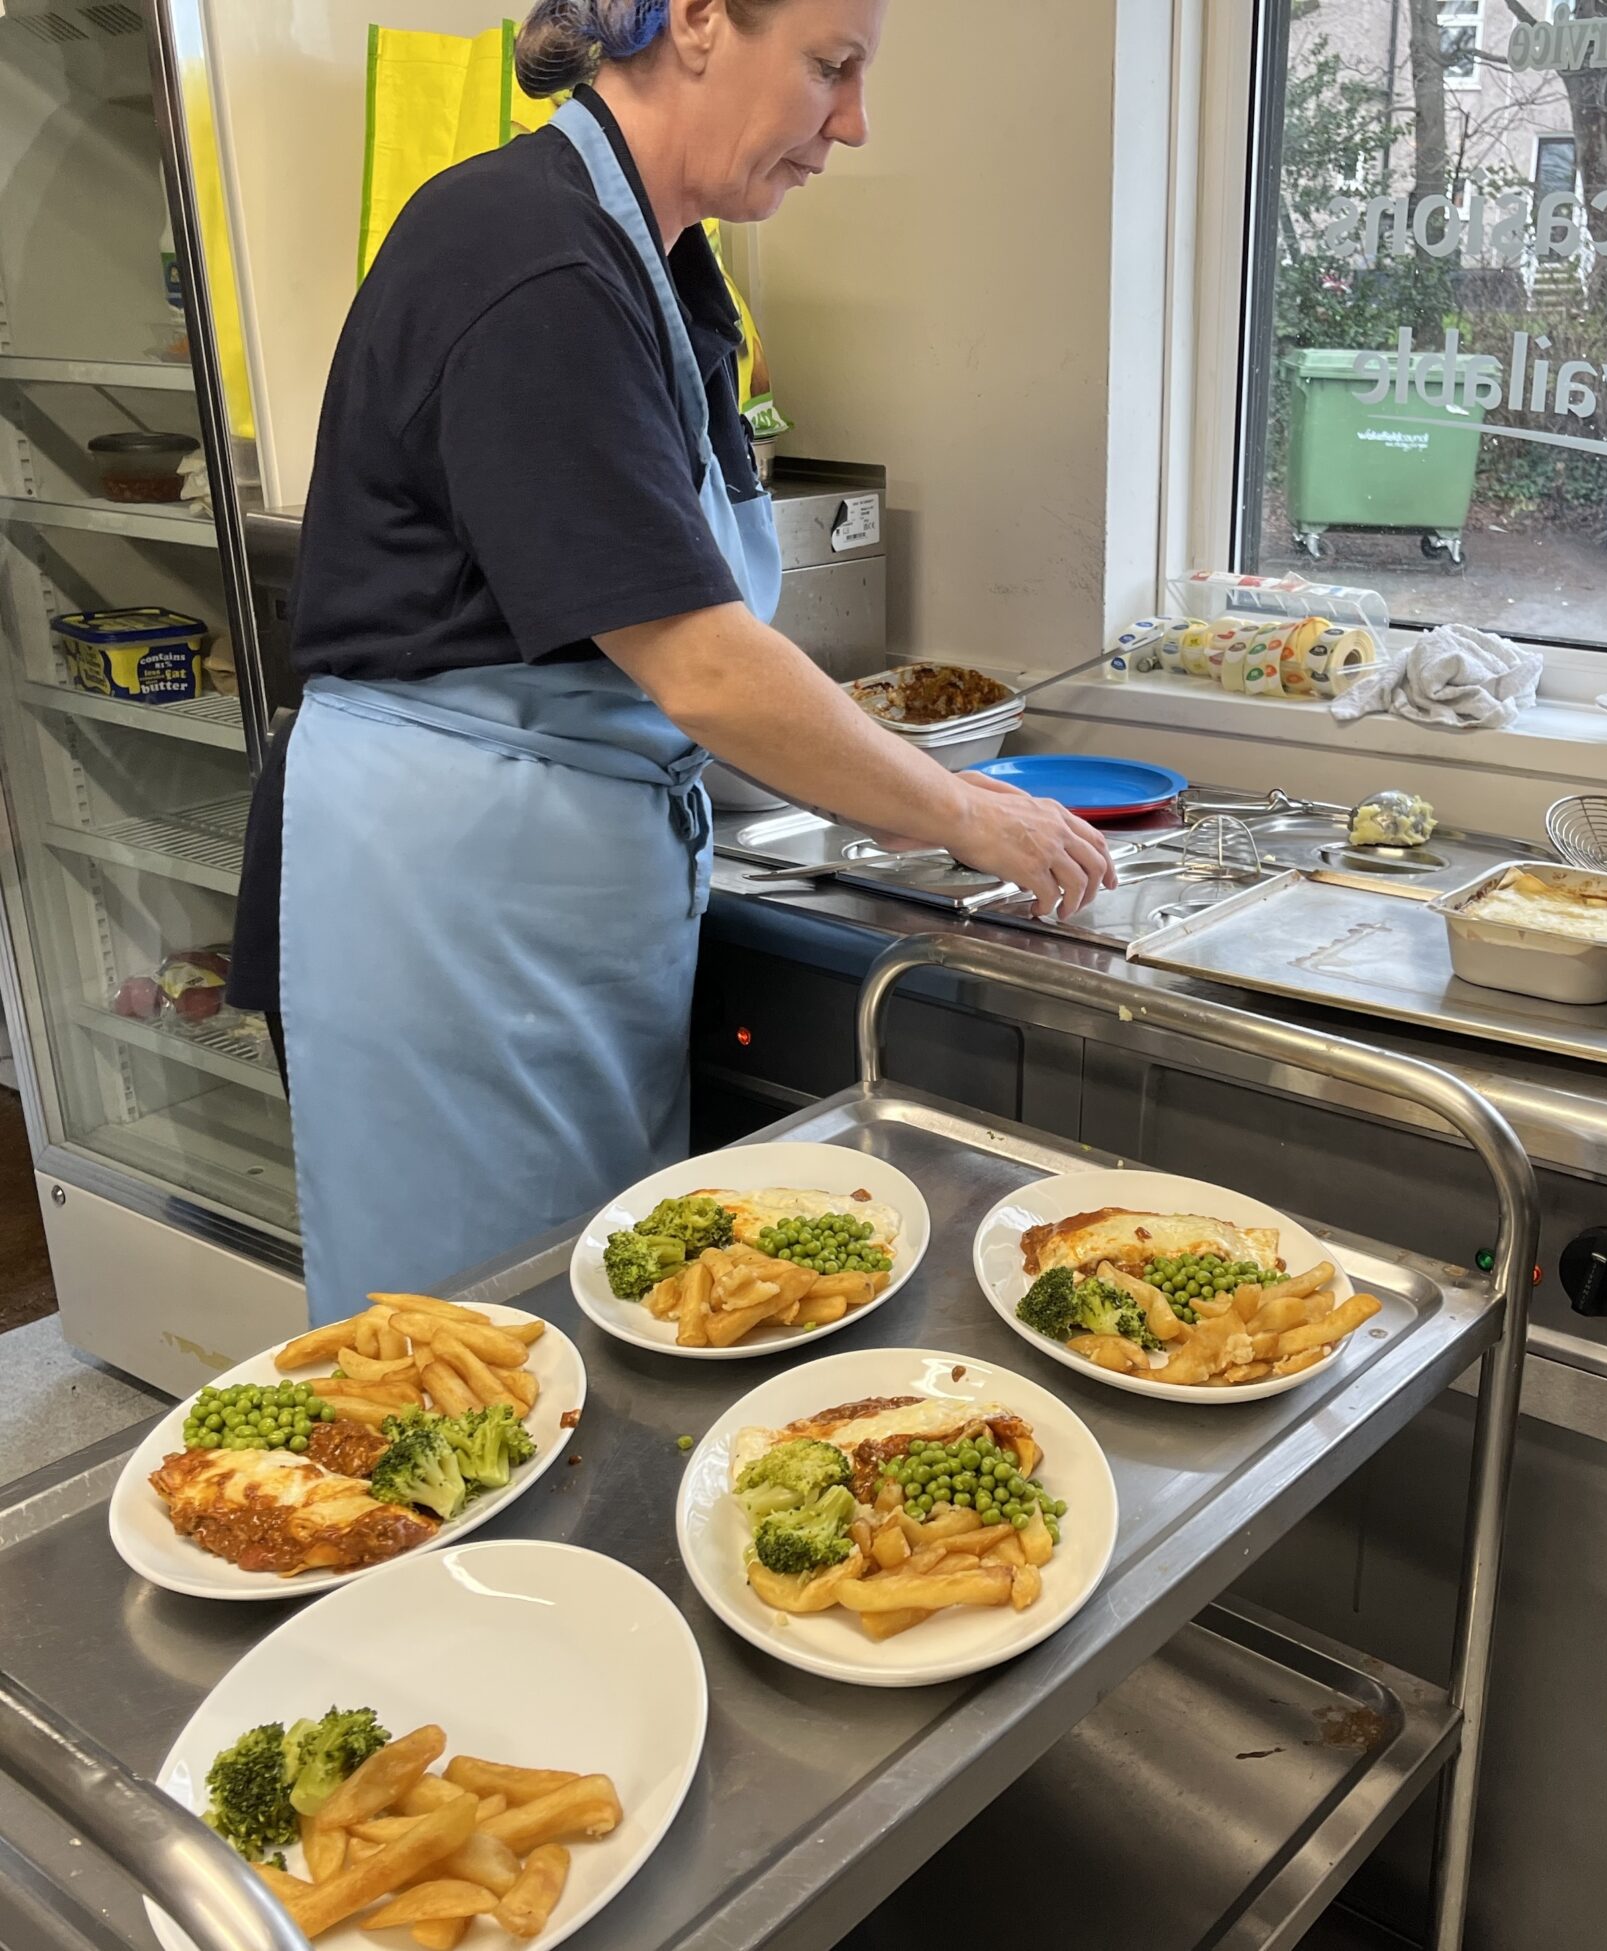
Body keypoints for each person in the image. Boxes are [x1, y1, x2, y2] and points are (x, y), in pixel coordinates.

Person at [228, 0, 1115, 1325]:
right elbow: (700, 663)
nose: (854, 123)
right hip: (446, 907)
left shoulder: (662, 264)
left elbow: (666, 629)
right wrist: (962, 812)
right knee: (461, 1351)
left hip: (548, 884)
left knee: (587, 1317)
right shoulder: (532, 260)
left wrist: (883, 787)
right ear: (698, 20)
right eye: (831, 66)